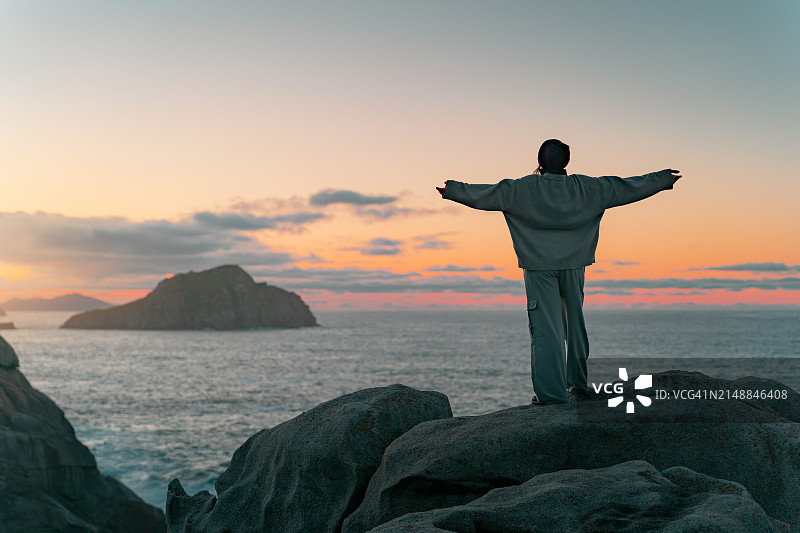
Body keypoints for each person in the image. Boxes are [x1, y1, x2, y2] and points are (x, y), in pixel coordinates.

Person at [436, 139, 681, 405]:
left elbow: (484, 194)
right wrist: (661, 179)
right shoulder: (589, 187)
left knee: (546, 330)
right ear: (566, 162)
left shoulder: (521, 189)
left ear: (540, 162)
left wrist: (453, 190)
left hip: (539, 266)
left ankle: (551, 396)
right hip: (575, 264)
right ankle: (577, 386)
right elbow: (627, 186)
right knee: (575, 326)